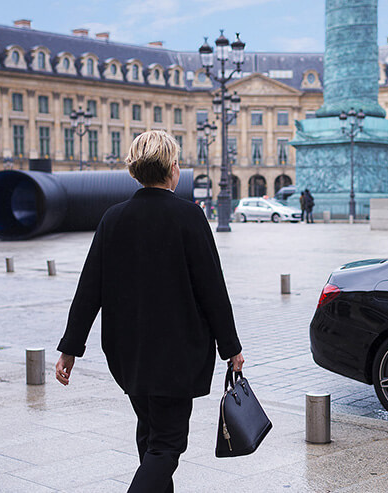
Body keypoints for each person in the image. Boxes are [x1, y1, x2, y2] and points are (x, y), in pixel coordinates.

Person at [55, 130, 244, 492]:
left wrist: (70, 348)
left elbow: (88, 289)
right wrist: (231, 347)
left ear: (133, 171)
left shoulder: (113, 218)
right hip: (177, 354)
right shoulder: (189, 216)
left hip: (129, 355)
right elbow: (213, 291)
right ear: (173, 169)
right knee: (167, 444)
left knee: (150, 433)